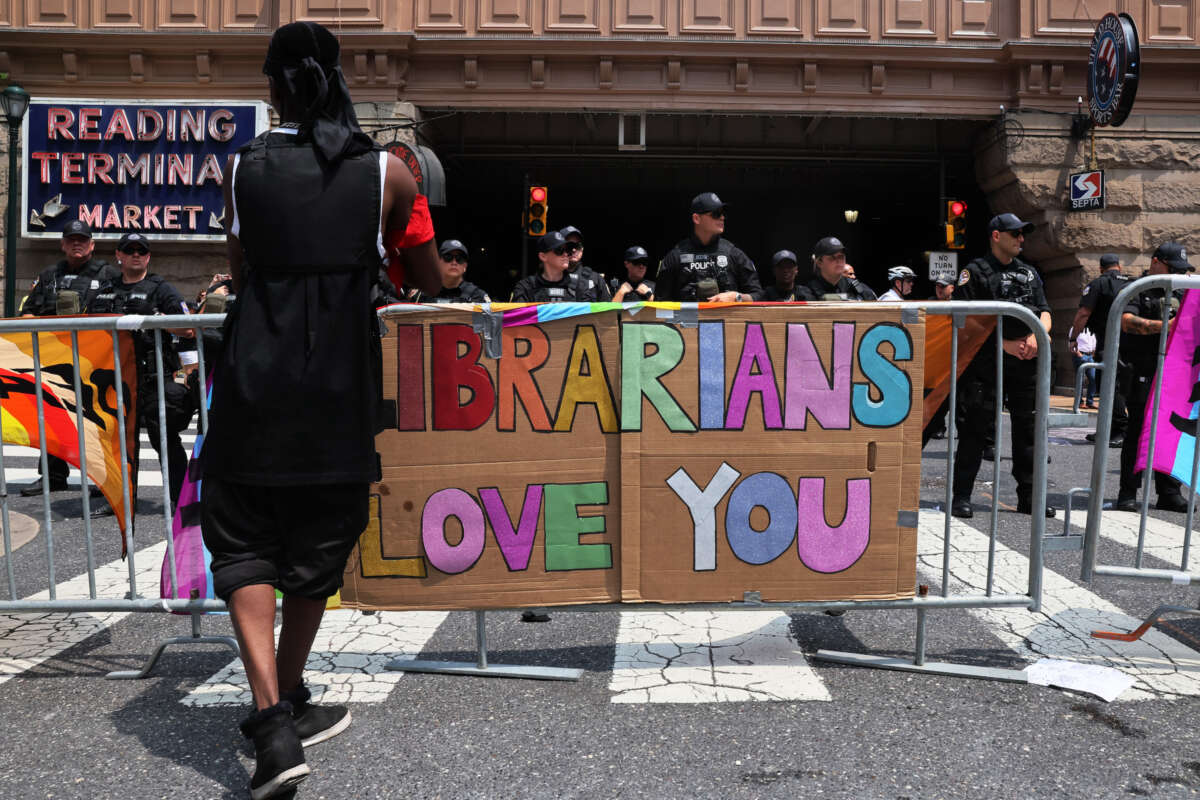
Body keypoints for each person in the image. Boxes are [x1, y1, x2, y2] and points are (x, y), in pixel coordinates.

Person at [199, 21, 439, 800]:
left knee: (242, 541)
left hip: (254, 374)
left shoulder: (245, 170)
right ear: (338, 80)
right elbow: (426, 274)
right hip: (340, 383)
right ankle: (284, 703)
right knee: (316, 548)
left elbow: (242, 267)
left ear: (274, 87)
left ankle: (274, 716)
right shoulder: (387, 174)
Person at [949, 213, 1055, 519]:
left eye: (1023, 234)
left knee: (1029, 432)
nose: (1021, 239)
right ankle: (961, 497)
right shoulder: (975, 272)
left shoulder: (1029, 272)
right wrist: (1003, 344)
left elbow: (1045, 309)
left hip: (1025, 362)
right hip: (987, 363)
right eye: (1015, 234)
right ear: (996, 236)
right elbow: (966, 321)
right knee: (975, 432)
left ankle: (1029, 498)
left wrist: (1039, 333)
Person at [91, 232, 194, 509]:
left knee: (164, 439)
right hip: (116, 380)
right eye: (129, 249)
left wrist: (152, 319)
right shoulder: (106, 290)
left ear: (147, 257)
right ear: (119, 256)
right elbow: (87, 329)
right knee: (119, 443)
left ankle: (180, 500)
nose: (135, 254)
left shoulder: (161, 289)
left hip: (153, 378)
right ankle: (122, 501)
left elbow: (187, 327)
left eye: (141, 251)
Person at [18, 219, 120, 496]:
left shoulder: (109, 274)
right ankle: (52, 477)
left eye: (83, 239)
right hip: (54, 359)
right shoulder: (49, 274)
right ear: (63, 244)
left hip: (93, 359)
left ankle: (103, 480)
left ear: (92, 244)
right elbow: (28, 312)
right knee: (52, 415)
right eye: (72, 239)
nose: (78, 243)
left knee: (96, 419)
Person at [1116, 242, 1192, 513]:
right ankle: (1127, 492)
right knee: (1137, 431)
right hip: (1142, 371)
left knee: (1171, 431)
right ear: (1156, 263)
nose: (1176, 274)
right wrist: (1166, 327)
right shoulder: (1138, 289)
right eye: (1172, 268)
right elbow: (1126, 320)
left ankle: (1169, 492)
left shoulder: (1182, 293)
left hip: (1173, 374)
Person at [655, 192, 761, 302]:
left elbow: (759, 296)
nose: (722, 217)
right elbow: (660, 303)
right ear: (696, 218)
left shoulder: (734, 254)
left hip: (728, 318)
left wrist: (737, 297)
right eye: (716, 213)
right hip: (688, 319)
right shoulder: (675, 256)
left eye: (723, 213)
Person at [1073, 253, 1131, 447]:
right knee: (1121, 387)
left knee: (1110, 387)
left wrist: (1074, 337)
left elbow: (1084, 312)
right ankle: (1110, 429)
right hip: (1132, 343)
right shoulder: (1132, 283)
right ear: (1119, 267)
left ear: (1101, 268)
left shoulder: (1099, 284)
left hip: (1109, 342)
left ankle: (1120, 431)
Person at [510, 231, 609, 302]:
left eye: (567, 250)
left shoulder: (581, 286)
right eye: (559, 250)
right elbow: (517, 324)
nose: (566, 254)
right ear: (543, 256)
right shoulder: (525, 287)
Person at [411, 240, 490, 303]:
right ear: (438, 262)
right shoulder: (422, 294)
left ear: (465, 266)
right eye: (448, 257)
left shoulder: (477, 296)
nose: (454, 262)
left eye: (459, 259)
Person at [798, 237, 876, 301]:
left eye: (841, 256)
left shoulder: (858, 288)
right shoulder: (807, 291)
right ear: (819, 263)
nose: (838, 260)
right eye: (832, 257)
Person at [559, 226, 612, 301]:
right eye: (569, 246)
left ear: (582, 249)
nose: (574, 250)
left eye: (577, 246)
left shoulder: (595, 279)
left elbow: (608, 310)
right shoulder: (548, 277)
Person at [1071, 326, 1097, 408]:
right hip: (1080, 355)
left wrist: (1092, 354)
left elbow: (1093, 342)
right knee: (1080, 380)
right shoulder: (1075, 328)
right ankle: (1079, 402)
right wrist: (1079, 355)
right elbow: (1071, 342)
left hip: (1090, 356)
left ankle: (1090, 402)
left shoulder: (1091, 329)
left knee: (1093, 379)